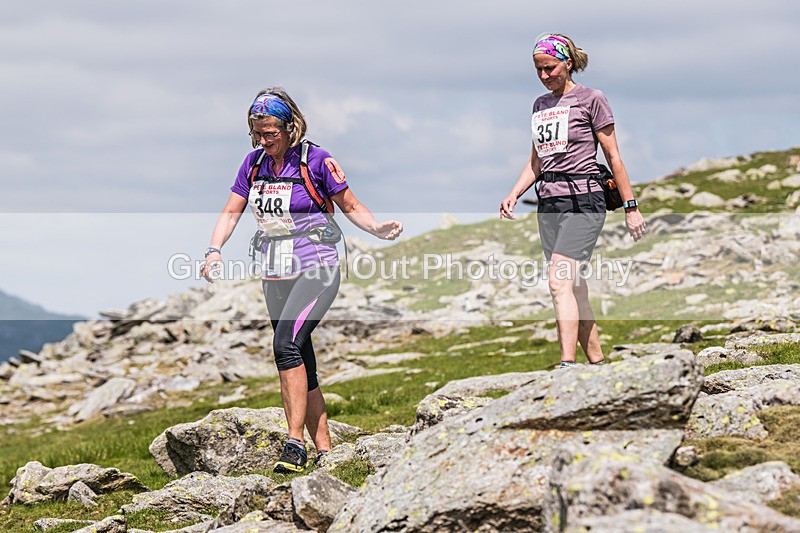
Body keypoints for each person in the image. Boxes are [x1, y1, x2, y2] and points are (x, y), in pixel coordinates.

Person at [202, 87, 403, 473]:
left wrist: (376, 228)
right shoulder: (253, 164)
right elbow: (231, 212)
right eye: (256, 134)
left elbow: (350, 204)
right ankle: (326, 452)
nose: (263, 141)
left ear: (290, 127)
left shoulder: (317, 160)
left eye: (270, 134)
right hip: (274, 272)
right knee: (300, 360)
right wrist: (214, 250)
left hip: (316, 267)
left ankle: (295, 443)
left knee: (285, 346)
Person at [500, 34, 646, 368]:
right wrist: (514, 193)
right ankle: (597, 362)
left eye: (550, 68)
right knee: (574, 287)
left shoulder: (592, 99)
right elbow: (536, 162)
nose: (544, 75)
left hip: (584, 200)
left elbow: (613, 156)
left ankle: (567, 364)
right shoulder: (540, 105)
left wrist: (631, 208)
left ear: (567, 63)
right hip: (549, 204)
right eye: (538, 70)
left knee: (558, 281)